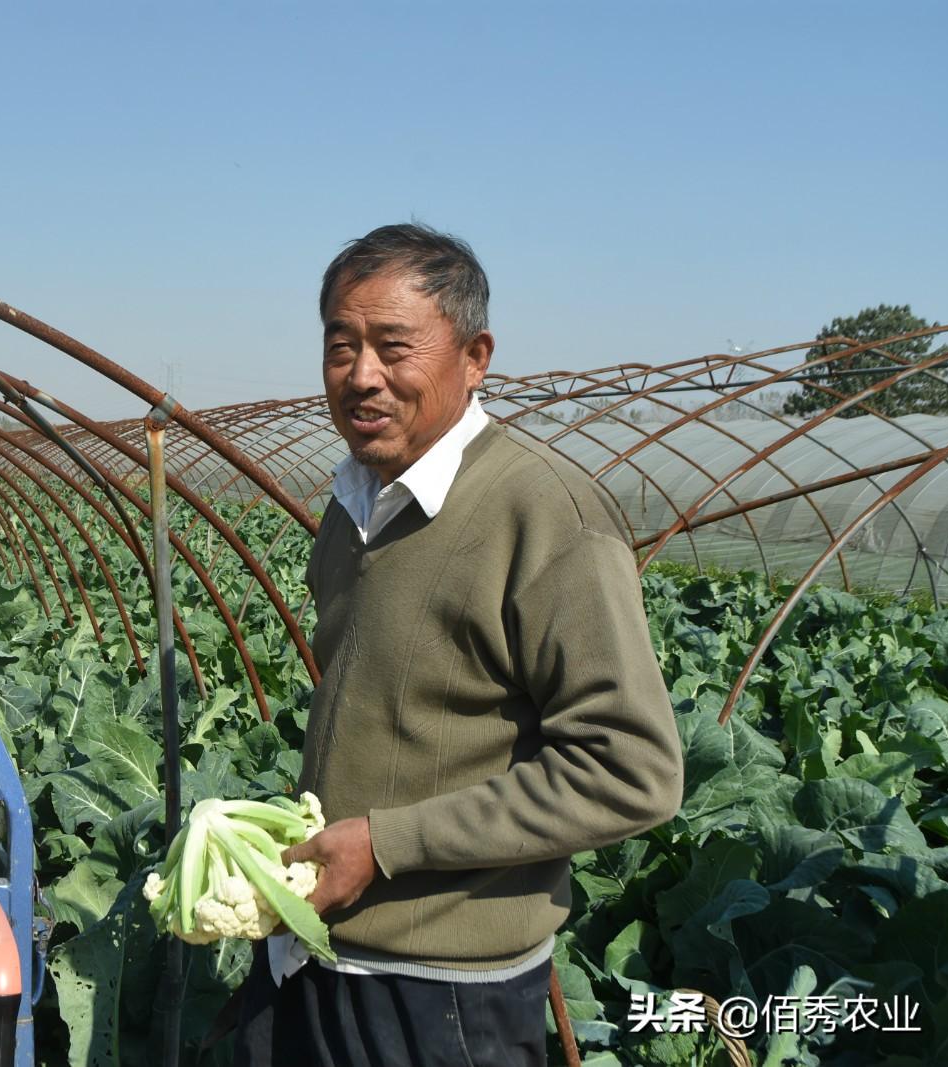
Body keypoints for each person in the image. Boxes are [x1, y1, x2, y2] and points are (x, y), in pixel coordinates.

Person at [234, 223, 685, 1066]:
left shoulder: (545, 516)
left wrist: (389, 843)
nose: (361, 375)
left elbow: (634, 771)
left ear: (475, 357)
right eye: (341, 346)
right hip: (320, 954)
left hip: (442, 996)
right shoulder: (352, 504)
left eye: (393, 347)